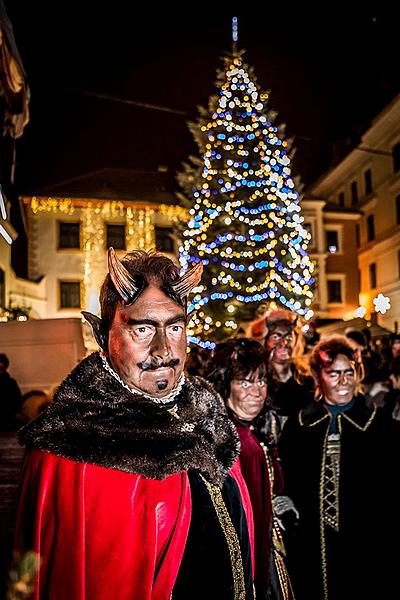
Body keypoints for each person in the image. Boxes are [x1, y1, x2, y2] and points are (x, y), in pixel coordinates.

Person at [13, 249, 255, 600]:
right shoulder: (72, 444)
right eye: (142, 329)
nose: (163, 351)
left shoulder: (208, 421)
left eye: (175, 327)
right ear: (102, 335)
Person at [278, 335, 400, 600]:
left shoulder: (380, 426)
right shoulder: (299, 426)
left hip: (367, 544)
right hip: (311, 545)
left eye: (348, 373)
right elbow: (286, 479)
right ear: (318, 376)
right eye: (334, 374)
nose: (343, 381)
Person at [207, 338, 296, 600]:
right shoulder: (237, 442)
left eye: (261, 381)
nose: (257, 391)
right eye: (245, 382)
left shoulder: (249, 433)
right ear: (225, 387)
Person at [263, 310, 314, 427]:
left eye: (289, 337)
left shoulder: (307, 379)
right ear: (266, 341)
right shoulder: (260, 379)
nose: (283, 342)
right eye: (276, 336)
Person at [0, 353, 22, 431]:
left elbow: (17, 399)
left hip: (8, 416)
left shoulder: (11, 382)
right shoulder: (11, 382)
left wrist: (16, 412)